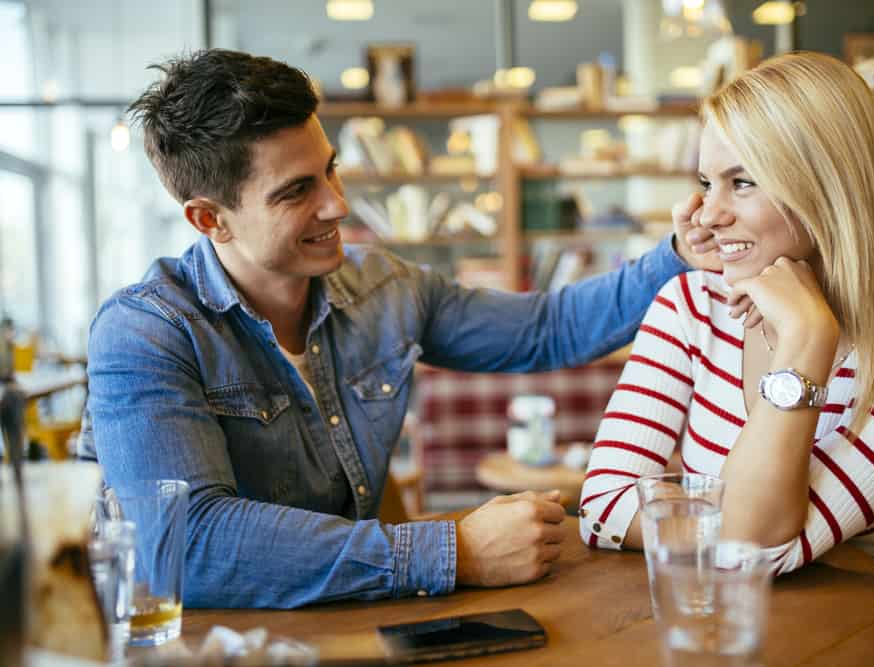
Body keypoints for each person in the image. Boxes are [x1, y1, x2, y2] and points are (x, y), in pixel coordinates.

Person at [80, 49, 712, 609]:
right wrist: (452, 552)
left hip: (351, 623)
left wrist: (678, 252)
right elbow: (185, 545)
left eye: (330, 169)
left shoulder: (384, 288)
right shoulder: (145, 331)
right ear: (209, 219)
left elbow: (549, 328)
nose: (337, 203)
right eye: (297, 190)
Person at [579, 52, 874, 590]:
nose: (707, 215)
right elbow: (600, 506)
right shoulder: (690, 306)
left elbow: (743, 546)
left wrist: (806, 338)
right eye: (708, 182)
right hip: (734, 633)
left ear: (829, 189)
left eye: (744, 182)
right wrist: (720, 528)